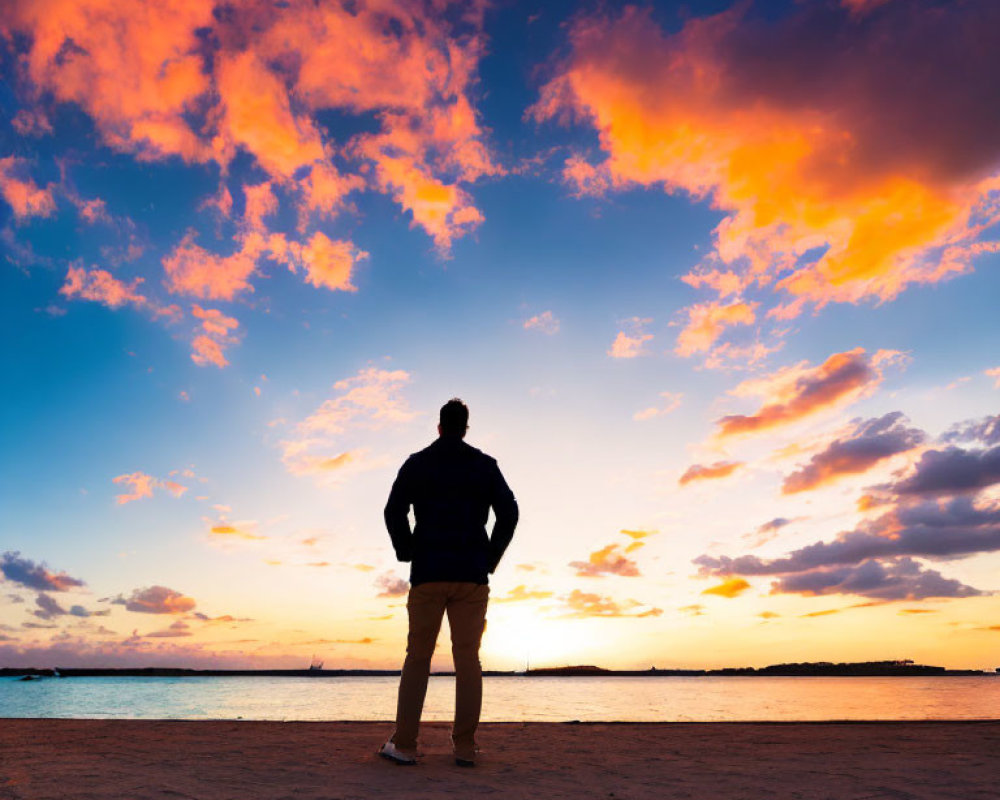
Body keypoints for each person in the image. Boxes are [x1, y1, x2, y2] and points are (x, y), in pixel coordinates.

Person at [378, 398, 518, 767]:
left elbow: (393, 510)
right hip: (471, 574)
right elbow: (510, 512)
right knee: (468, 659)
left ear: (439, 427)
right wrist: (490, 557)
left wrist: (406, 549)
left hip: (428, 572)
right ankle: (465, 747)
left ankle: (406, 745)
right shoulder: (485, 466)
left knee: (418, 657)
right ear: (465, 428)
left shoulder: (418, 463)